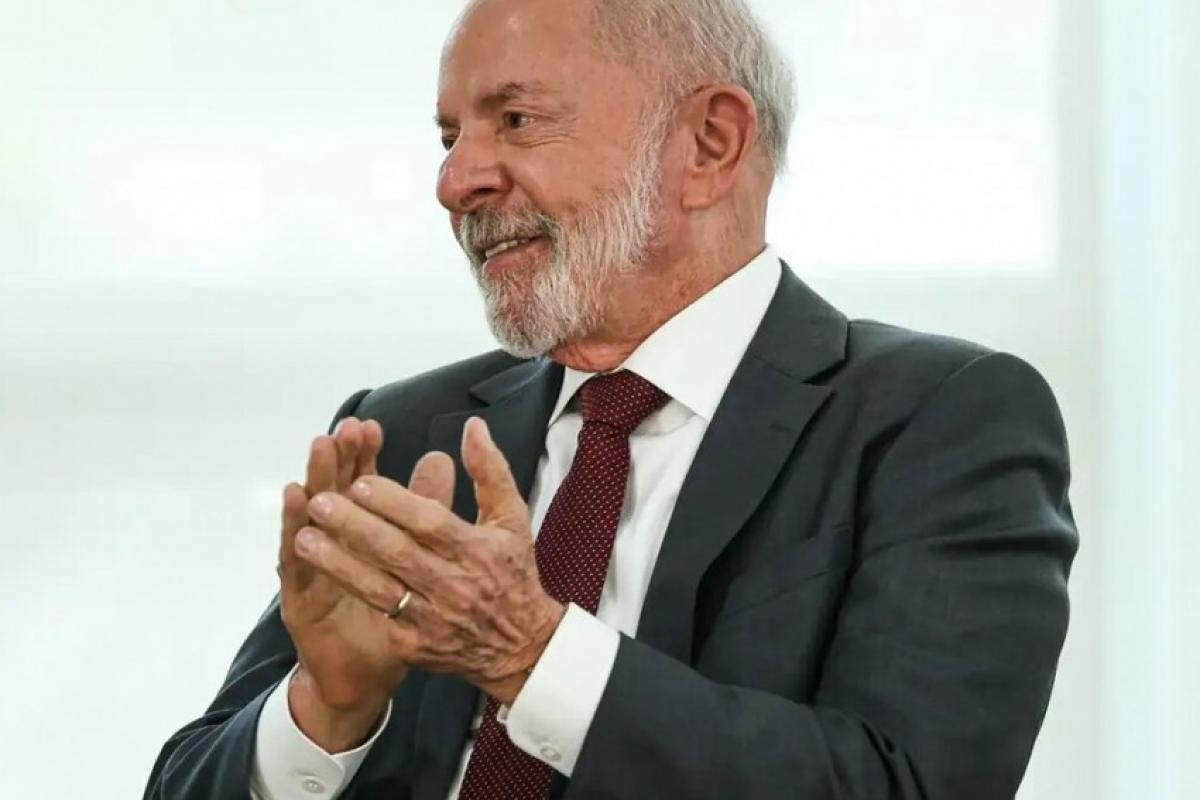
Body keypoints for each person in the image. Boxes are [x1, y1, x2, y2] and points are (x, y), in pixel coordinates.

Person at [145, 0, 1078, 797]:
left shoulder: (942, 420)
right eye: (450, 137)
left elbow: (906, 785)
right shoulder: (409, 432)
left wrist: (530, 655)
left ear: (709, 143)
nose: (455, 182)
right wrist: (325, 709)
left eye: (515, 120)